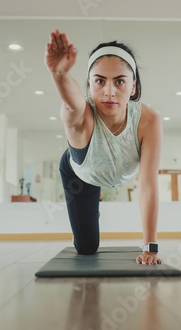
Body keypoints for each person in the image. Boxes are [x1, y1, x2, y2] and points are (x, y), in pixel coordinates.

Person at [45, 29, 163, 266]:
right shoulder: (82, 116)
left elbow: (147, 186)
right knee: (87, 249)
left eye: (120, 81)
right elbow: (70, 105)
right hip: (80, 175)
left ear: (132, 86)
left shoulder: (148, 121)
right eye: (99, 81)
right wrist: (60, 75)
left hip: (109, 169)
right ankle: (89, 205)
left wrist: (150, 247)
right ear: (89, 85)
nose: (109, 91)